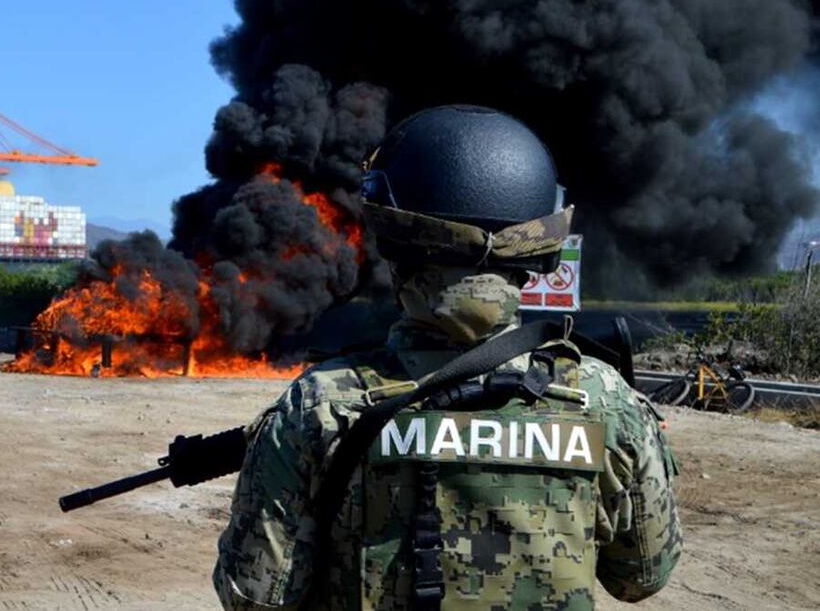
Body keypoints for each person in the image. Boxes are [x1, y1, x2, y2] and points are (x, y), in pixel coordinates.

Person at [213, 105, 682, 610]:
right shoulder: (605, 401)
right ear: (541, 248)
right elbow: (642, 576)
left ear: (393, 239)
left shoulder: (324, 405)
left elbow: (253, 597)